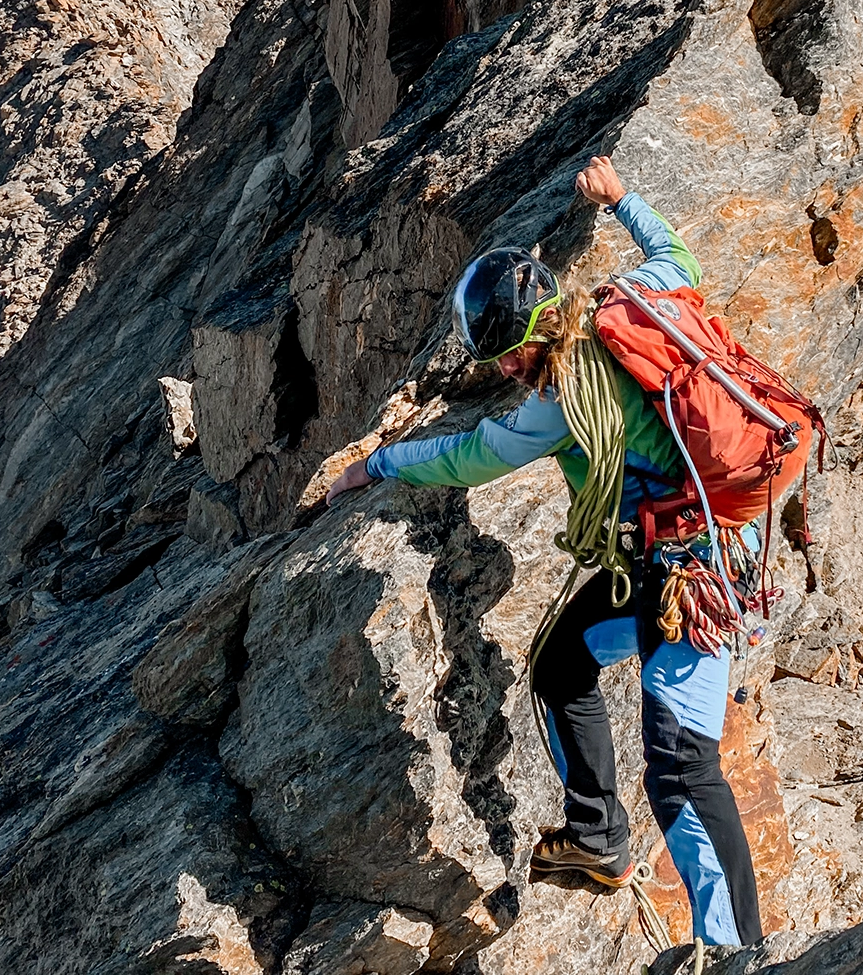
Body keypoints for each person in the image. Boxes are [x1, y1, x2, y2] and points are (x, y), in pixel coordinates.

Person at [326, 156, 763, 948]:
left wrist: (376, 464)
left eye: (503, 358)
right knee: (562, 662)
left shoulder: (565, 395)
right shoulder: (631, 302)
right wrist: (625, 199)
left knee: (683, 768)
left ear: (525, 343)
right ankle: (596, 832)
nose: (502, 372)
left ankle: (738, 951)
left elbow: (469, 457)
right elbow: (682, 261)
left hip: (692, 578)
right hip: (684, 558)